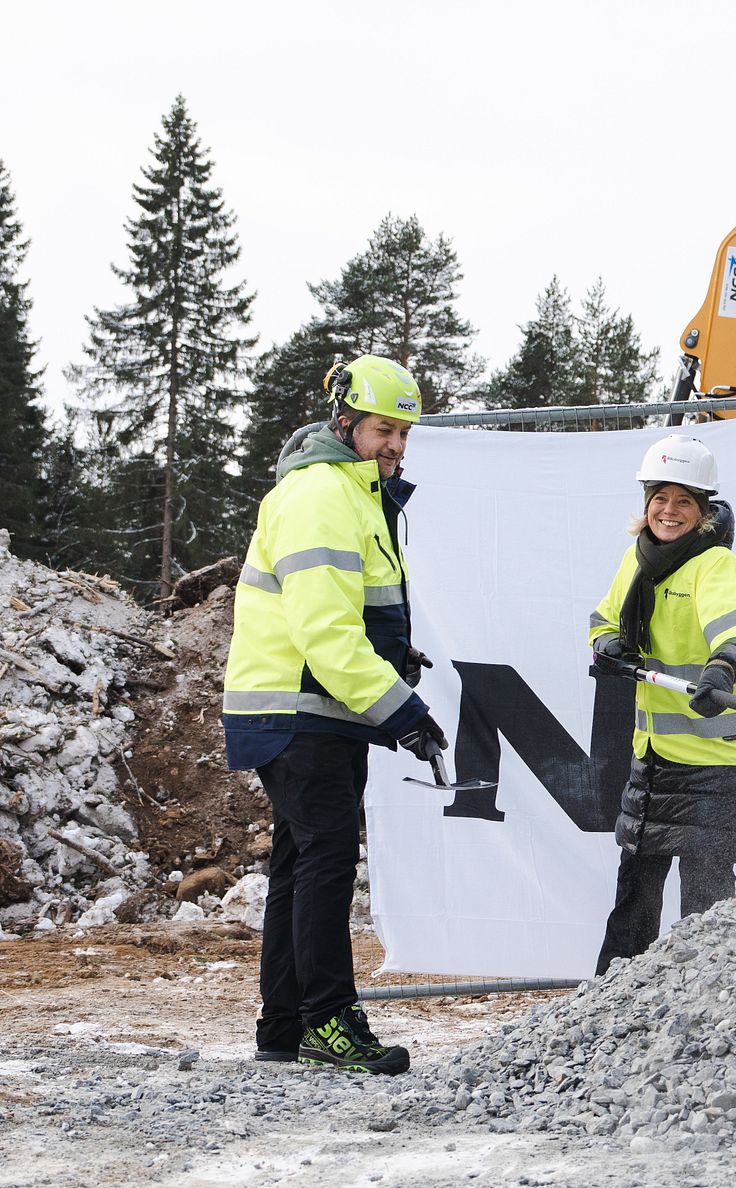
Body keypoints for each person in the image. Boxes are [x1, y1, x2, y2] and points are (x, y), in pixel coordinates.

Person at [222, 355, 444, 1074]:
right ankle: (327, 1021)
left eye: (405, 434)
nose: (396, 446)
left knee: (299, 861)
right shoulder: (320, 493)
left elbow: (352, 615)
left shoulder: (352, 493)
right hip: (301, 710)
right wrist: (402, 711)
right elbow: (325, 632)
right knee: (325, 861)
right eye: (385, 430)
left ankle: (284, 1024)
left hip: (315, 709)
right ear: (344, 421)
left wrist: (394, 664)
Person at [589, 435, 736, 974]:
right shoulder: (637, 558)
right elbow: (604, 618)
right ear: (646, 502)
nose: (669, 512)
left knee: (707, 906)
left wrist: (723, 667)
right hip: (658, 756)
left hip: (720, 763)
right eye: (660, 498)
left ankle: (709, 1005)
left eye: (684, 502)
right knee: (634, 898)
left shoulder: (715, 565)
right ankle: (614, 1000)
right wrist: (607, 644)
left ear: (704, 511)